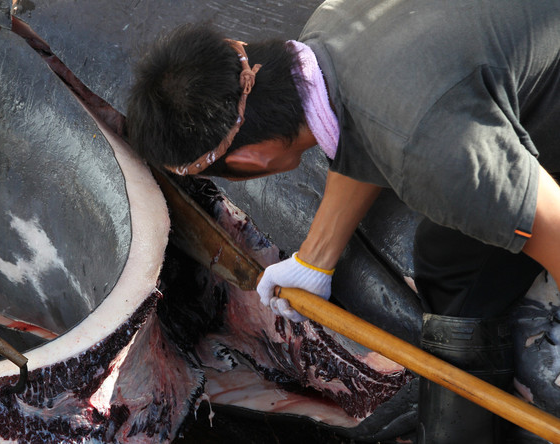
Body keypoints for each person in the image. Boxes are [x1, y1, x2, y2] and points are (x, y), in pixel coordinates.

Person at [125, 1, 560, 443]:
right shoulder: (330, 24)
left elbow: (557, 226)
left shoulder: (433, 155)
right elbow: (364, 127)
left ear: (249, 158)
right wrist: (314, 259)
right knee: (448, 261)